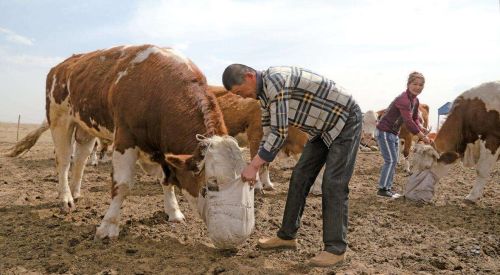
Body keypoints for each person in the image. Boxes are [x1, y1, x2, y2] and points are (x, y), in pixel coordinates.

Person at [222, 64, 362, 267]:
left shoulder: (277, 81)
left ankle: (335, 249)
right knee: (300, 176)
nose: (242, 97)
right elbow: (269, 132)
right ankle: (287, 236)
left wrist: (253, 166)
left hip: (345, 120)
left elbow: (280, 133)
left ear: (249, 76)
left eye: (239, 91)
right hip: (321, 129)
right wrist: (257, 164)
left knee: (333, 183)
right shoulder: (263, 95)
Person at [376, 71, 431, 198]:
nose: (417, 87)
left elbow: (415, 118)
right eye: (414, 84)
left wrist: (421, 127)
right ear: (408, 84)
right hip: (384, 131)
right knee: (390, 160)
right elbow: (408, 121)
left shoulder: (415, 100)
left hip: (394, 132)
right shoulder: (403, 100)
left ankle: (387, 187)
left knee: (393, 161)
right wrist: (423, 137)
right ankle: (383, 190)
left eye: (421, 85)